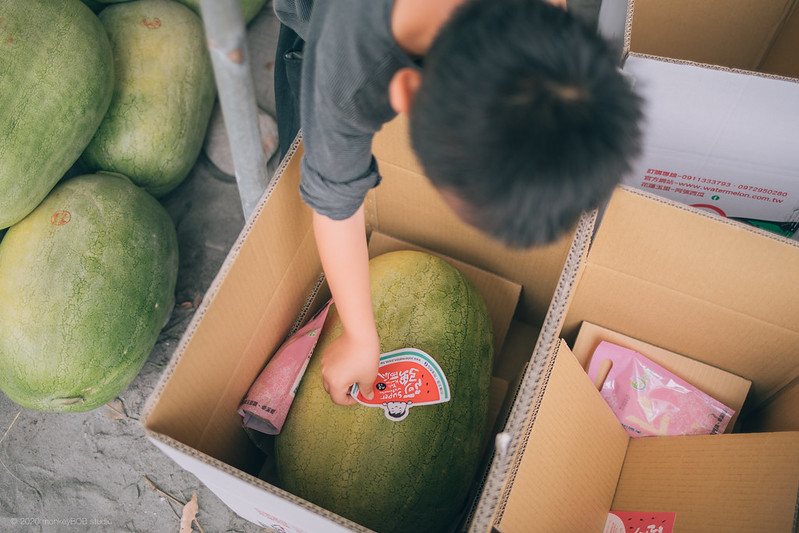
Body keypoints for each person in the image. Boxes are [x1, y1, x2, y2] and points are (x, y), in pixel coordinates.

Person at [272, 0, 644, 405]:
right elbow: (332, 201)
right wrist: (359, 335)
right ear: (406, 93)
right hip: (317, 19)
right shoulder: (347, 73)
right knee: (307, 144)